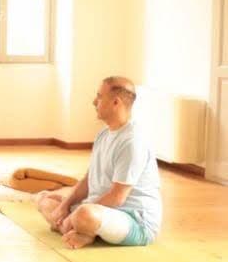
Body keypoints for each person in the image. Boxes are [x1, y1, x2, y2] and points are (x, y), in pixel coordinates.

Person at [37, 76, 162, 249]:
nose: (94, 102)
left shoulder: (132, 142)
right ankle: (80, 229)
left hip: (134, 221)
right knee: (45, 199)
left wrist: (75, 215)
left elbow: (117, 198)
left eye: (99, 96)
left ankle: (81, 229)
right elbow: (89, 179)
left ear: (116, 103)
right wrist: (65, 206)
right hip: (100, 210)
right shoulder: (104, 134)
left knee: (84, 214)